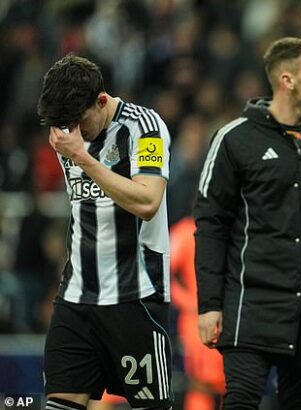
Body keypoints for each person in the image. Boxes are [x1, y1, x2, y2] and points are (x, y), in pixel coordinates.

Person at [194, 37, 301, 409]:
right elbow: (211, 225)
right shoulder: (234, 139)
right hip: (251, 304)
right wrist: (209, 305)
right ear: (287, 80)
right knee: (241, 402)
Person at [37, 55, 173, 410]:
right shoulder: (67, 133)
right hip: (76, 298)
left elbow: (148, 202)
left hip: (136, 296)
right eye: (65, 125)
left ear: (101, 101)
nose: (73, 133)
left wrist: (83, 158)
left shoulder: (145, 127)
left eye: (80, 122)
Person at [169, 217, 225, 410]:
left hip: (230, 315)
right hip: (196, 320)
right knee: (201, 383)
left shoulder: (234, 227)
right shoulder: (185, 231)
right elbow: (163, 271)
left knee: (234, 383)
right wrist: (188, 302)